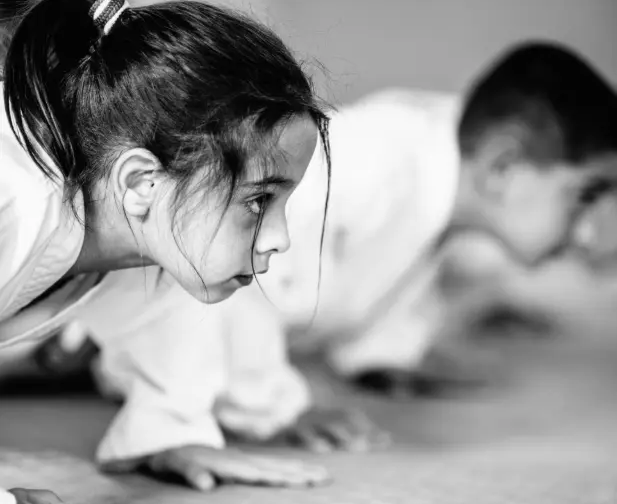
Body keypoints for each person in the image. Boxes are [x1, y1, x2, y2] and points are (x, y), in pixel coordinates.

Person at [69, 41, 617, 455]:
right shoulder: (380, 160)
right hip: (87, 322)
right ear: (503, 166)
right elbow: (228, 254)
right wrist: (275, 407)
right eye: (586, 194)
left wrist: (383, 358)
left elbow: (405, 274)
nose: (590, 228)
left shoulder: (443, 189)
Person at [0, 0, 331, 504]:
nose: (281, 238)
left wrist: (168, 429)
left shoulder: (134, 221)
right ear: (141, 181)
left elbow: (154, 315)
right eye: (259, 200)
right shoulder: (12, 200)